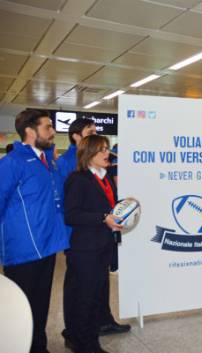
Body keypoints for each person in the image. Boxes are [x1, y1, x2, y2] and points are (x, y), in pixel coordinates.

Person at [0, 109, 69, 353]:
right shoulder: (11, 163)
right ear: (30, 131)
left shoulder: (48, 161)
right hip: (23, 251)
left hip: (48, 246)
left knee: (41, 305)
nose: (53, 131)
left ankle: (39, 347)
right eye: (48, 126)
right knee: (21, 308)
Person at [59, 120, 129, 350]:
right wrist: (102, 218)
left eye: (107, 148)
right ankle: (84, 343)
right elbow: (71, 215)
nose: (107, 153)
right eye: (102, 149)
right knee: (84, 297)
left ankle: (87, 338)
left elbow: (110, 206)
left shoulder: (105, 177)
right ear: (89, 153)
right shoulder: (78, 179)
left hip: (102, 246)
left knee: (97, 293)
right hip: (85, 249)